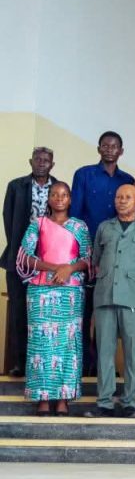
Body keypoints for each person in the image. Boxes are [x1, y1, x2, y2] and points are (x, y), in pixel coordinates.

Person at [16, 182, 91, 416]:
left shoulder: (79, 226)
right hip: (41, 291)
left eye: (64, 195)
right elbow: (25, 257)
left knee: (68, 345)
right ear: (48, 199)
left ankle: (63, 399)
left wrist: (69, 269)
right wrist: (55, 267)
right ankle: (42, 398)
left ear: (70, 199)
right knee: (42, 345)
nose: (59, 198)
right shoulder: (37, 224)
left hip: (70, 292)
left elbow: (88, 259)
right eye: (55, 194)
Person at [86, 184, 135, 419]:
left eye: (128, 197)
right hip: (105, 295)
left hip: (134, 297)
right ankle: (104, 402)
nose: (122, 200)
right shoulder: (104, 227)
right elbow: (97, 262)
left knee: (132, 352)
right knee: (104, 351)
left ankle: (130, 402)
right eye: (118, 197)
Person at [70, 131, 134, 375]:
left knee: (108, 309)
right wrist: (81, 252)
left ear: (121, 151)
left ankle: (102, 364)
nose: (109, 149)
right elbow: (75, 215)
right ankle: (83, 363)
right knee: (84, 309)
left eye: (114, 146)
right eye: (105, 145)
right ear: (98, 149)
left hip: (115, 254)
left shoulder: (127, 180)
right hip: (86, 251)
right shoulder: (84, 174)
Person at [3, 146, 58, 376]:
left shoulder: (59, 188)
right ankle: (20, 363)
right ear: (30, 162)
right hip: (20, 261)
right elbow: (8, 219)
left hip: (49, 261)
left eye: (46, 160)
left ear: (52, 164)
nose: (41, 163)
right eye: (38, 159)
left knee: (45, 313)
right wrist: (22, 251)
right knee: (19, 312)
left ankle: (43, 364)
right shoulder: (16, 186)